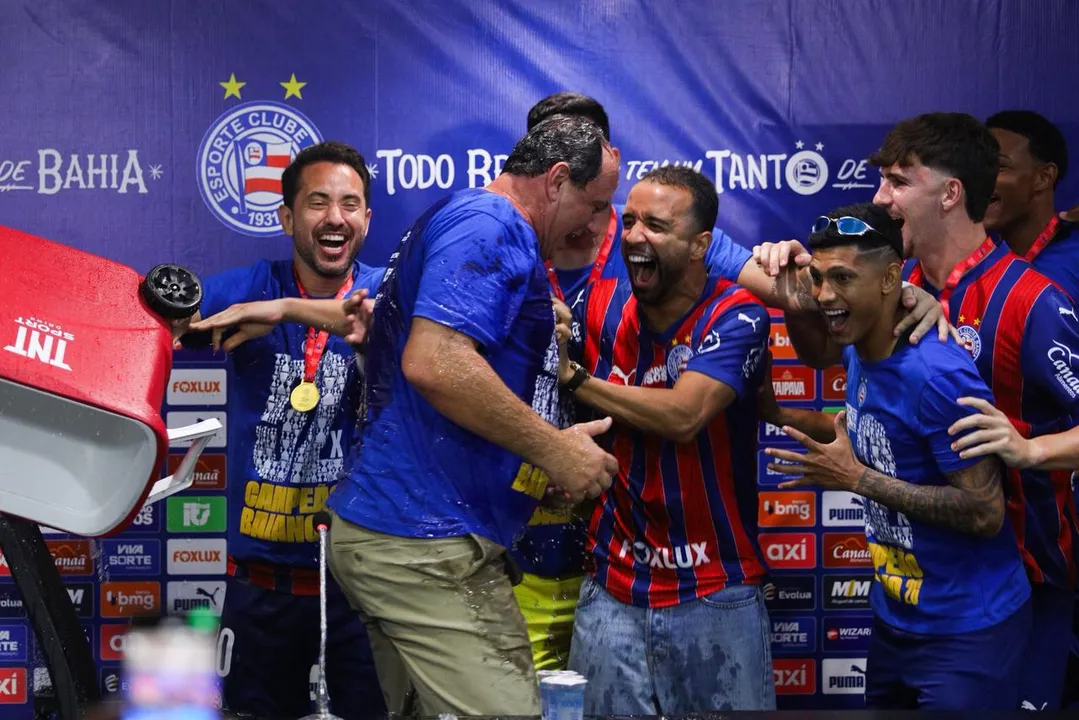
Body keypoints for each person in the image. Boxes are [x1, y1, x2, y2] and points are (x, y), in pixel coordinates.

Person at [755, 112, 1079, 710]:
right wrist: (785, 279)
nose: (881, 197)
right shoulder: (900, 295)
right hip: (927, 595)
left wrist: (1034, 451)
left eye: (898, 182)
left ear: (951, 194)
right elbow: (826, 352)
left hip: (1033, 581)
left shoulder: (1029, 301)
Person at [323, 115, 619, 716]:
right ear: (557, 180)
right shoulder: (492, 223)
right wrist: (554, 449)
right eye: (595, 204)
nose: (598, 224)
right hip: (422, 540)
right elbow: (435, 363)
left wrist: (541, 455)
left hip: (404, 531)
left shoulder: (469, 217)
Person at [174, 141, 385, 719]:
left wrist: (286, 310)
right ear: (287, 217)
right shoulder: (250, 285)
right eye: (318, 203)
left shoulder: (387, 292)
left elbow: (374, 324)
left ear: (367, 218)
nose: (335, 217)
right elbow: (172, 315)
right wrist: (169, 308)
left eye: (350, 203)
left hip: (362, 592)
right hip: (260, 589)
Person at [558, 166, 774, 713]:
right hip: (612, 587)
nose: (634, 236)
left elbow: (684, 415)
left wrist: (580, 379)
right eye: (628, 221)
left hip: (715, 590)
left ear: (701, 244)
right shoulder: (599, 306)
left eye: (655, 225)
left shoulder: (737, 313)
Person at [983, 111, 1079, 301]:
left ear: (1044, 177)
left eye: (999, 166)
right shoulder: (972, 263)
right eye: (976, 166)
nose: (978, 179)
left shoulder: (1073, 260)